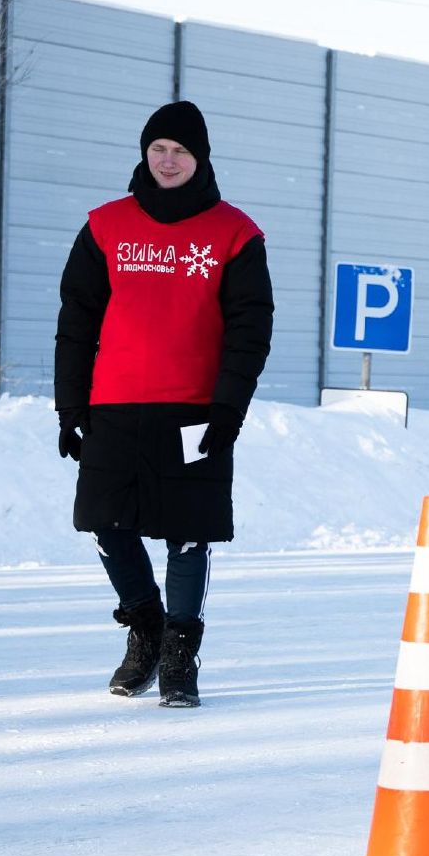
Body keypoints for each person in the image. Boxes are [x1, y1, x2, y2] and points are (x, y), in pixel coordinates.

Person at [55, 101, 275, 708]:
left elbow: (249, 329)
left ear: (199, 158)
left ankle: (181, 650)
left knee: (186, 533)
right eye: (159, 149)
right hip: (114, 407)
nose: (168, 160)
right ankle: (146, 629)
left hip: (194, 409)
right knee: (104, 523)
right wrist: (70, 406)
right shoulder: (106, 225)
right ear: (144, 153)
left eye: (180, 150)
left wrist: (228, 410)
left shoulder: (234, 232)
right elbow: (77, 321)